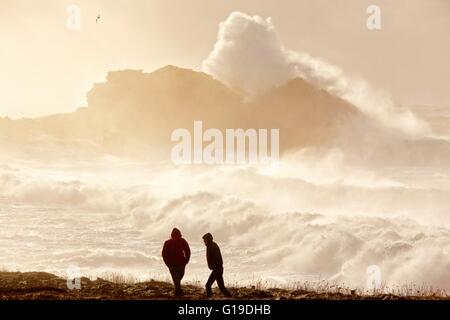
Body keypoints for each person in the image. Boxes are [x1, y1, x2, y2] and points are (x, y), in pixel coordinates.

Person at [162, 228, 191, 296]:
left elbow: (187, 251)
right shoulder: (167, 242)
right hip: (173, 264)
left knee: (178, 277)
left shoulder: (182, 241)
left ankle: (178, 289)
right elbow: (164, 254)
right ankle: (178, 291)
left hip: (180, 263)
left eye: (178, 235)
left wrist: (186, 260)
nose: (176, 237)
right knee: (176, 278)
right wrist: (167, 263)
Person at [202, 233, 232, 297]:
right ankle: (228, 296)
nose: (204, 241)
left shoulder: (212, 246)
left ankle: (229, 296)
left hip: (217, 269)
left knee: (210, 285)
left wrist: (214, 267)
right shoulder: (210, 245)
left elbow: (217, 258)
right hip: (217, 269)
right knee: (216, 286)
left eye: (204, 240)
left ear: (208, 239)